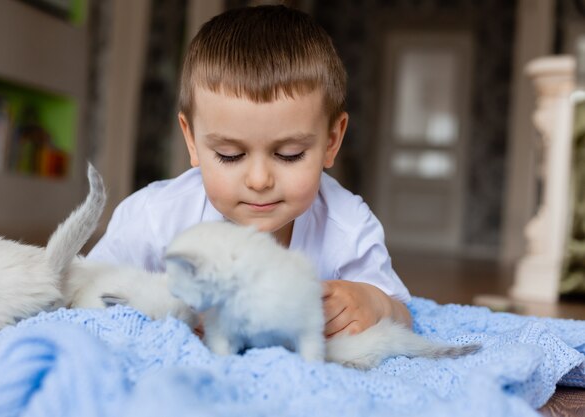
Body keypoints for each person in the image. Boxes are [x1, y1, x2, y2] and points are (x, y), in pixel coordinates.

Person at [88, 4, 412, 338]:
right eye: (230, 155)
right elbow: (88, 289)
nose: (259, 181)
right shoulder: (156, 217)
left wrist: (375, 304)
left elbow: (402, 313)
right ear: (192, 140)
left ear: (331, 141)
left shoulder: (347, 226)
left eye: (290, 154)